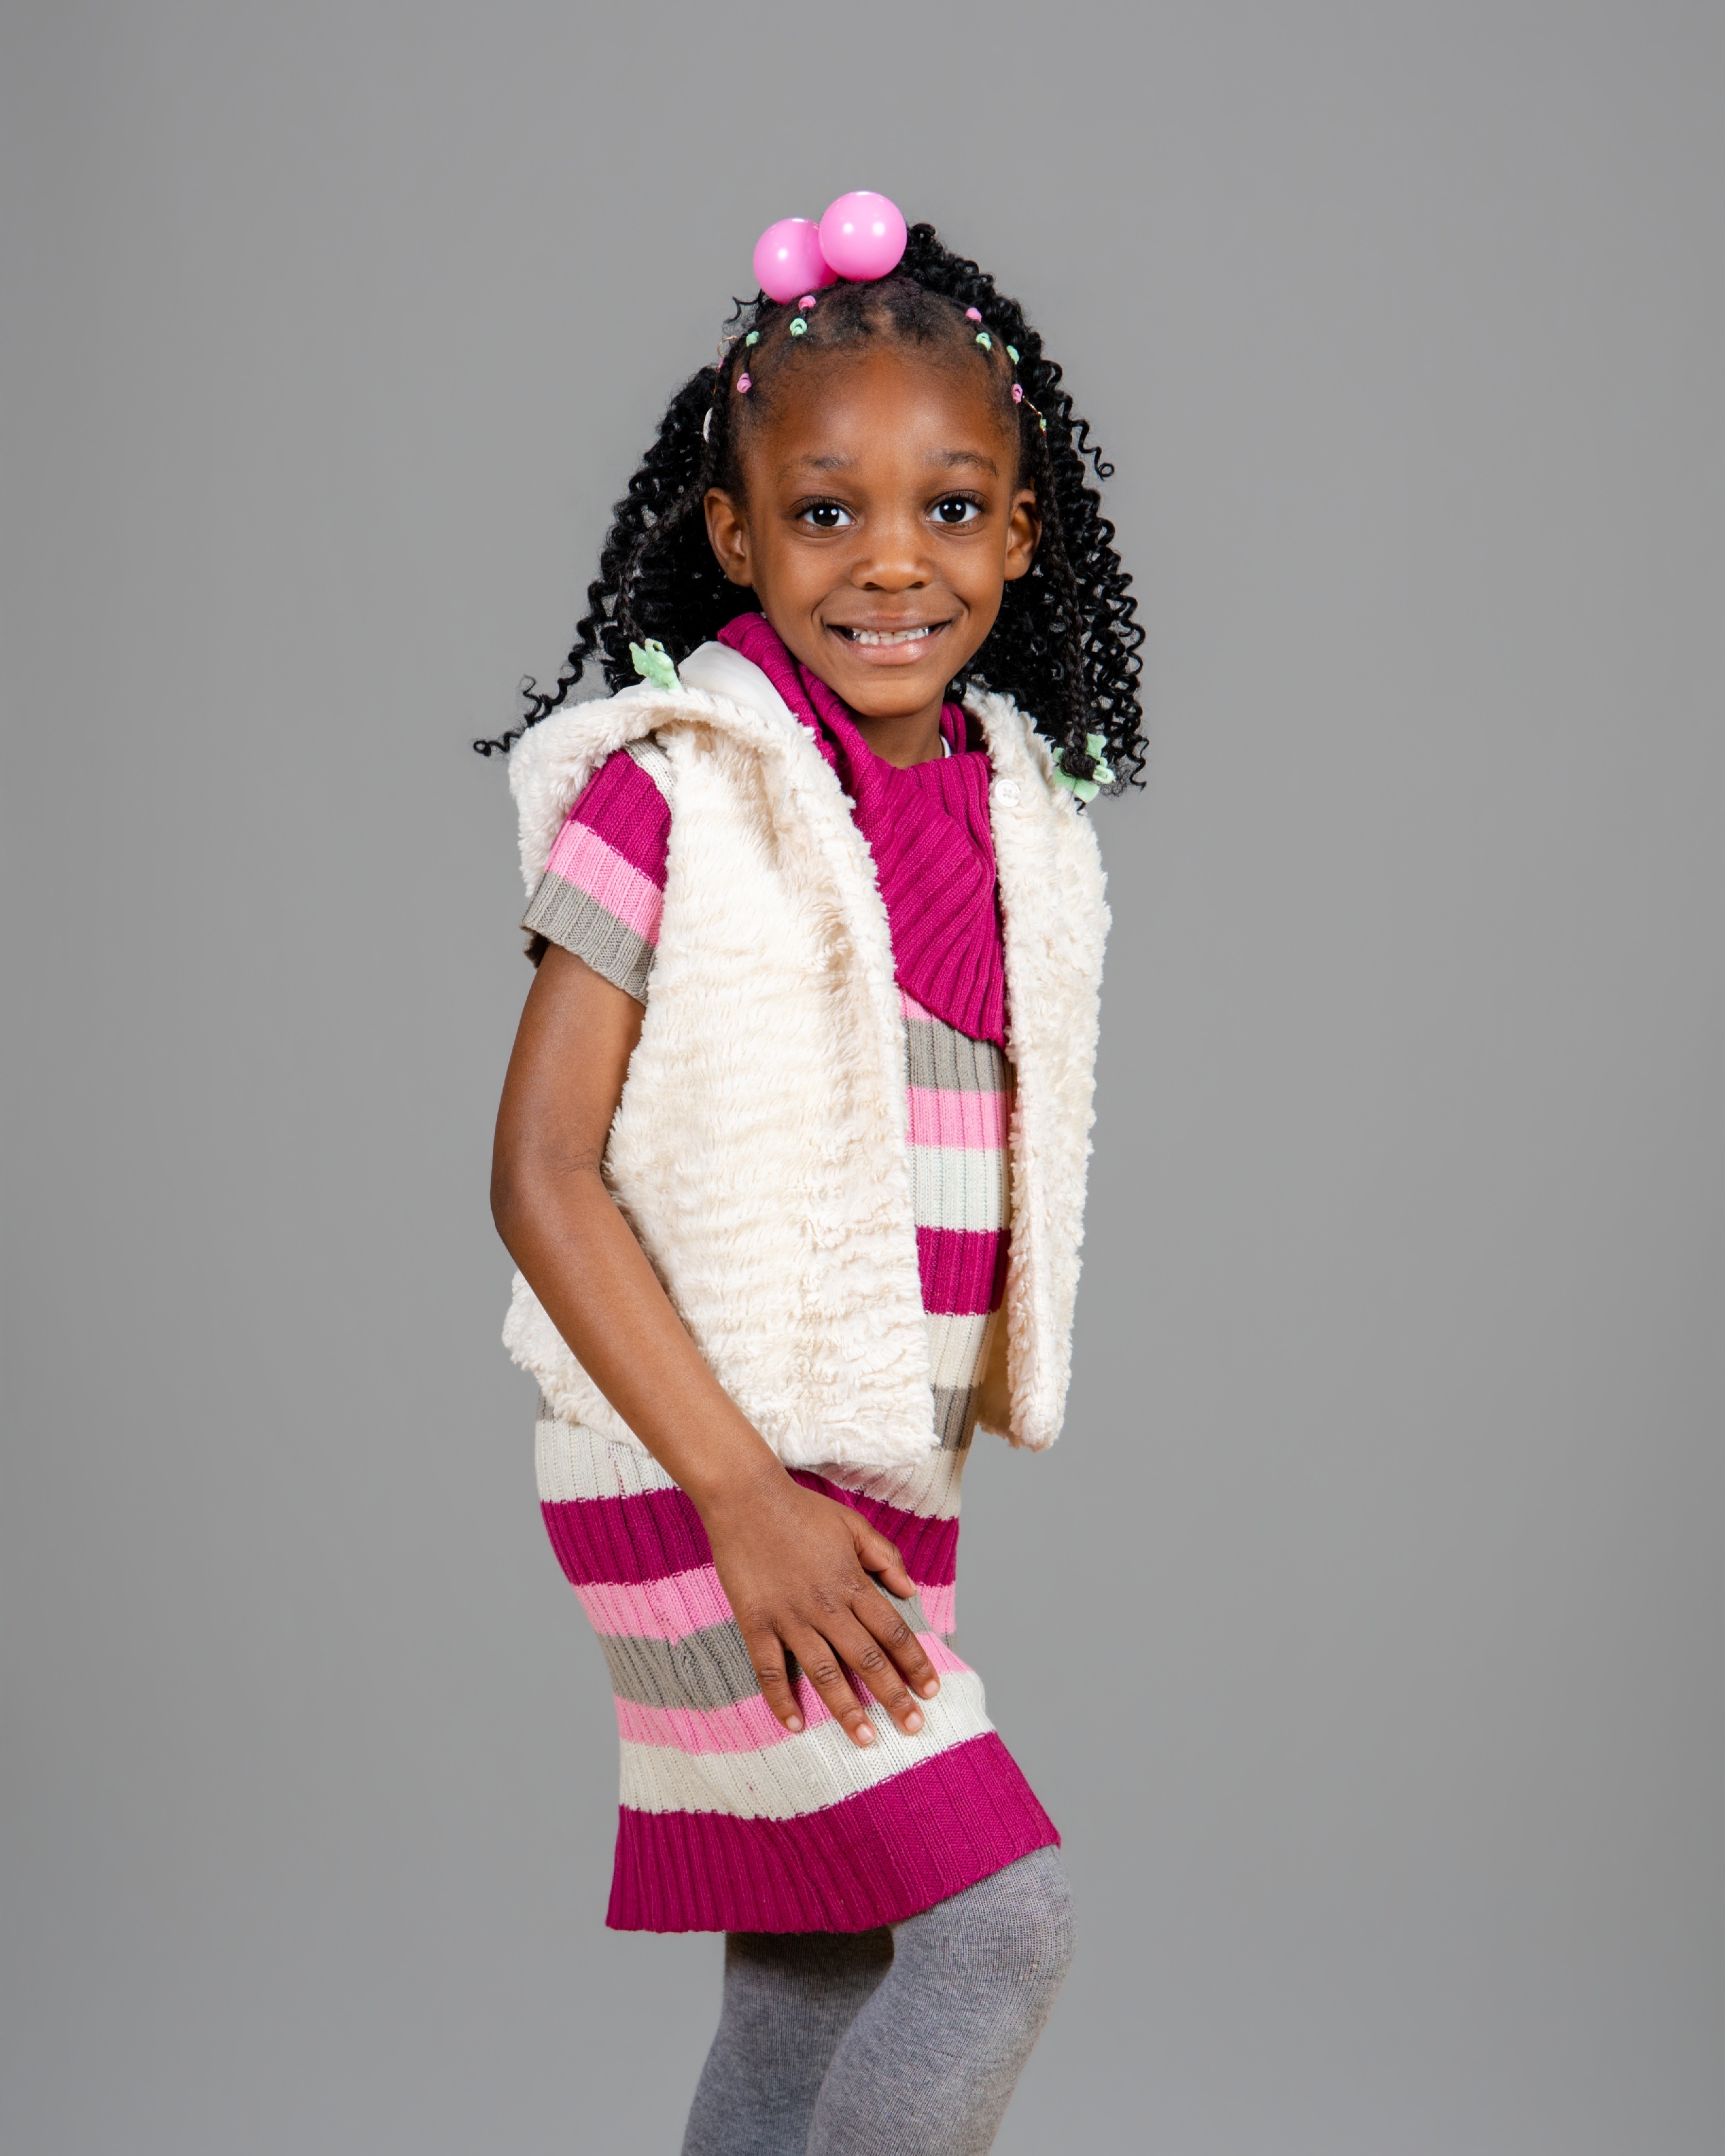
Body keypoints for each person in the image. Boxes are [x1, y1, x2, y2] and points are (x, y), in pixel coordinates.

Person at [482, 198, 1144, 2156]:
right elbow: (540, 1170)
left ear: (1021, 533)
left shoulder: (1019, 818)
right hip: (708, 1471)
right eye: (827, 512)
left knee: (816, 1969)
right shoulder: (672, 786)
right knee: (1000, 1926)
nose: (893, 562)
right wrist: (743, 1496)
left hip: (872, 1479)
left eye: (951, 508)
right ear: (737, 535)